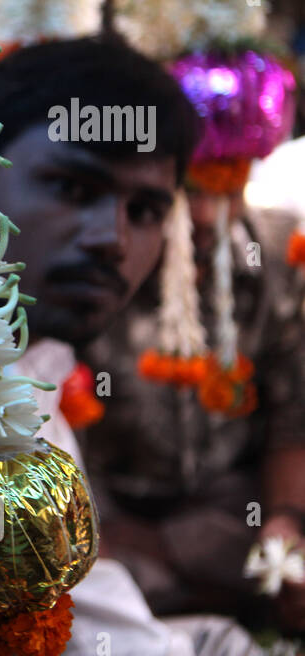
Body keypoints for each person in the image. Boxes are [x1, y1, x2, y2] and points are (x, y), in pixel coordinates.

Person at [0, 35, 269, 656]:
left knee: (223, 653)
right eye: (74, 188)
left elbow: (76, 581)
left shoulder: (34, 363)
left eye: (145, 210)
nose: (114, 239)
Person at [78, 183, 305, 631]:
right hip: (113, 520)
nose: (204, 215)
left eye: (225, 190)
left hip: (231, 514)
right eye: (185, 194)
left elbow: (292, 421)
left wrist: (284, 524)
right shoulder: (93, 261)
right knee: (84, 587)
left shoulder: (277, 255)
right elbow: (54, 426)